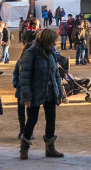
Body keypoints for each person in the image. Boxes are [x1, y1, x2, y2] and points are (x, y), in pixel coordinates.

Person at [18, 28, 66, 160]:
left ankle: (50, 148)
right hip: (35, 92)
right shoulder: (30, 53)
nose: (54, 44)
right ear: (45, 41)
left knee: (51, 120)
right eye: (52, 41)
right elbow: (25, 76)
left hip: (50, 92)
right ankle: (24, 147)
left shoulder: (51, 53)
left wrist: (59, 92)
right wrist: (26, 97)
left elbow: (55, 74)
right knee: (32, 120)